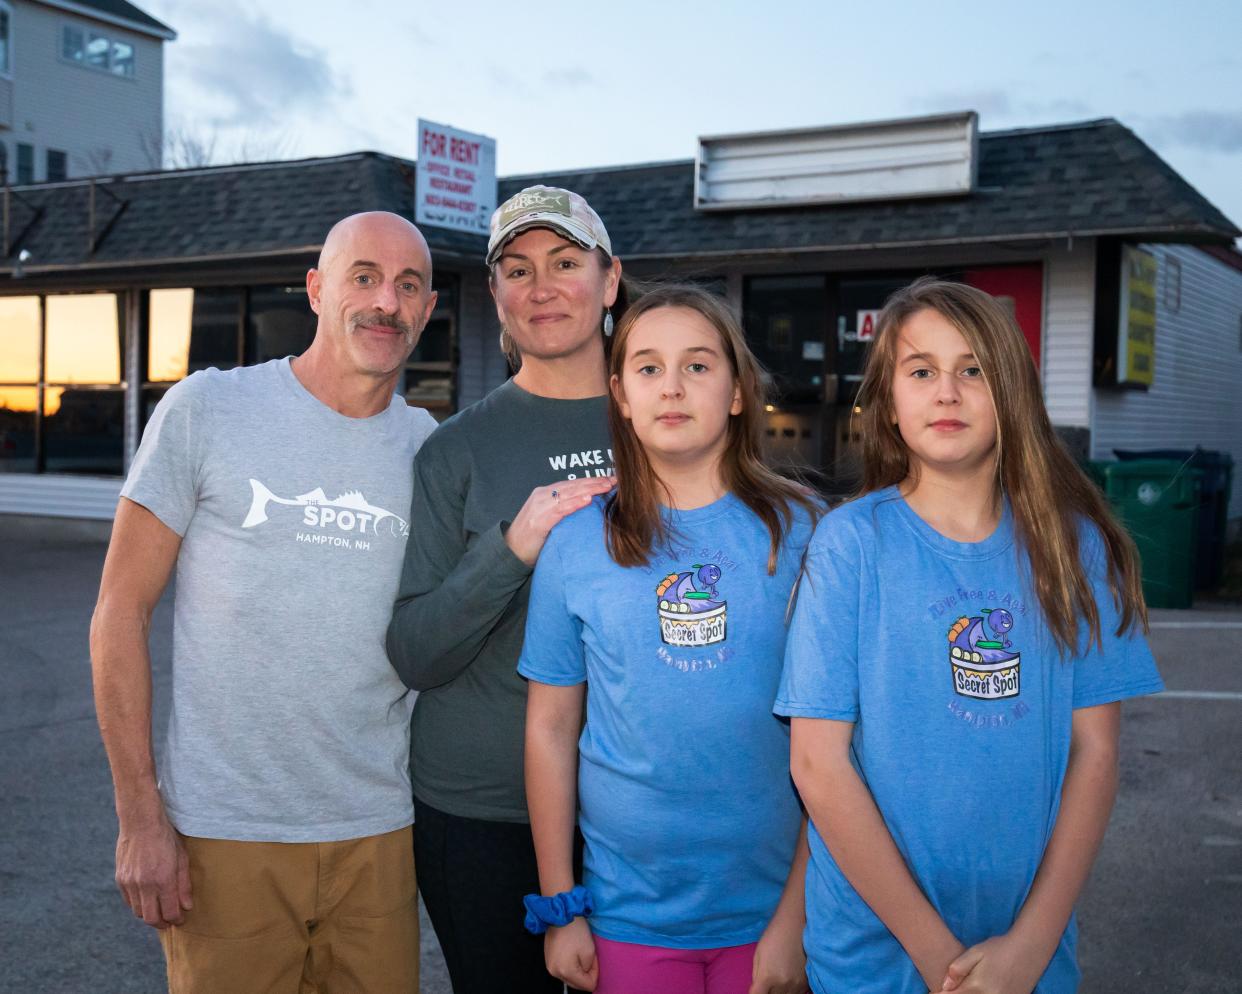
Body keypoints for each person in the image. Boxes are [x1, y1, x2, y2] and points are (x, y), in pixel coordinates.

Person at [776, 278, 1165, 994]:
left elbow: (1096, 755)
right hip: (875, 956)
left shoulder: (1074, 548)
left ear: (1011, 391)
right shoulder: (848, 545)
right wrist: (940, 962)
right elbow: (818, 767)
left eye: (972, 370)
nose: (946, 392)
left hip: (1028, 954)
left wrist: (1029, 946)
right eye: (921, 371)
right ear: (890, 404)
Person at [90, 211, 440, 994]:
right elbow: (119, 612)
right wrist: (140, 817)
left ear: (425, 309)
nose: (387, 301)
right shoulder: (209, 410)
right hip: (226, 836)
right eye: (364, 277)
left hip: (378, 835)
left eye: (409, 285)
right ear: (317, 291)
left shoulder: (429, 450)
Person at [519, 285, 819, 994]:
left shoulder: (806, 535)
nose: (673, 387)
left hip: (775, 912)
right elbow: (551, 728)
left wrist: (799, 915)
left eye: (699, 365)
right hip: (627, 917)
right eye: (649, 368)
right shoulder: (576, 543)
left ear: (739, 391)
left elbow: (841, 739)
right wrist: (561, 904)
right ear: (619, 394)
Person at [385, 185, 622, 993]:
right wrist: (511, 548)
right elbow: (415, 651)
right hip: (481, 810)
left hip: (638, 808)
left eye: (565, 263)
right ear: (495, 297)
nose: (542, 286)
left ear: (611, 279)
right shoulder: (455, 449)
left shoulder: (665, 421)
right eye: (517, 270)